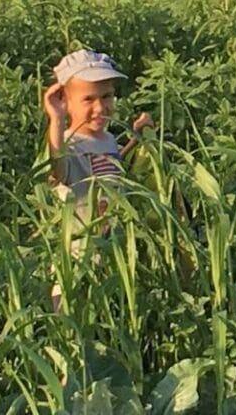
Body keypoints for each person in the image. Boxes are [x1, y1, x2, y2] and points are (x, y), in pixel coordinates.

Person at [42, 48, 153, 307]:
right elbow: (57, 171)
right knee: (74, 336)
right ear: (64, 101)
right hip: (76, 268)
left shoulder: (109, 140)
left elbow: (111, 173)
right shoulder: (68, 144)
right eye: (88, 99)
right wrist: (56, 121)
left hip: (111, 264)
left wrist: (136, 140)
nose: (100, 107)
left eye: (107, 96)